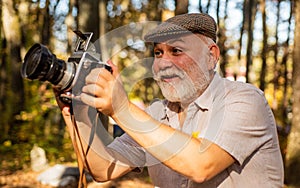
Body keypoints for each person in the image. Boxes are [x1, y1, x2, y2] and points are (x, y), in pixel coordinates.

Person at [55, 13, 284, 187]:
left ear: (211, 55)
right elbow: (104, 168)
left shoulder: (245, 101)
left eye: (176, 51)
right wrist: (78, 112)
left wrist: (122, 109)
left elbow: (201, 165)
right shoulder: (158, 114)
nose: (163, 63)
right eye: (158, 53)